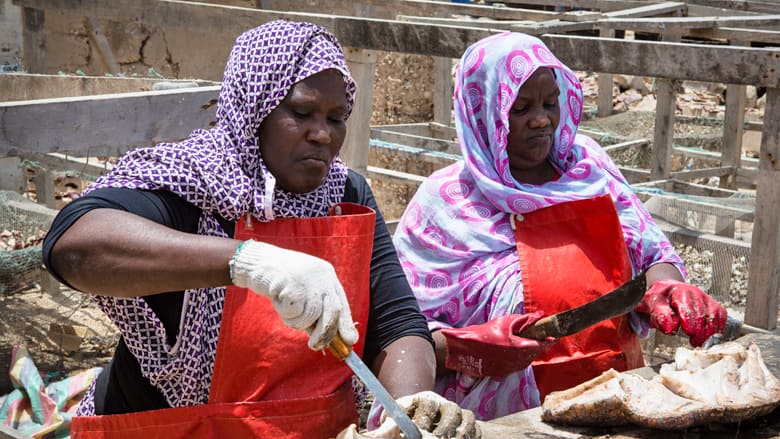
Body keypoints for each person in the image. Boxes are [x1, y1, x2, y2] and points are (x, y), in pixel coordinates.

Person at [42, 20, 478, 439]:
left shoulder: (345, 196)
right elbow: (74, 246)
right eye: (302, 112)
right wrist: (247, 261)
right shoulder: (195, 184)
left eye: (336, 117)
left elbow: (396, 321)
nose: (322, 134)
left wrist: (411, 405)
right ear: (255, 106)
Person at [392, 32, 728, 421]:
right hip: (511, 420)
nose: (541, 119)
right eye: (520, 108)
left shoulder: (589, 168)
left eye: (550, 103)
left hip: (618, 396)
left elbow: (651, 252)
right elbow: (403, 335)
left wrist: (668, 287)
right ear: (483, 111)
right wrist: (466, 348)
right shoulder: (446, 203)